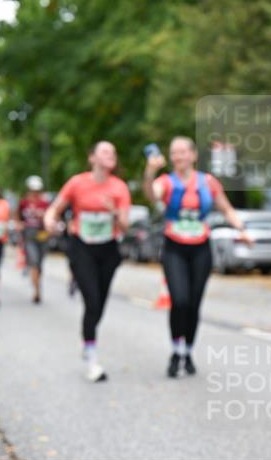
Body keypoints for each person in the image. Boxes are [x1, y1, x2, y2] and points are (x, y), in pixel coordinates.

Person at [143, 136, 251, 377]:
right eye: (174, 153)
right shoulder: (166, 182)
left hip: (201, 248)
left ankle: (188, 351)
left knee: (193, 303)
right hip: (174, 248)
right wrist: (149, 173)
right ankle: (175, 350)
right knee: (179, 301)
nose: (178, 157)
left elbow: (226, 208)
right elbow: (151, 195)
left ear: (193, 155)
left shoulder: (208, 182)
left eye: (183, 152)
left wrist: (242, 230)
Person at [44, 141, 131, 382]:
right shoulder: (77, 183)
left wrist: (114, 213)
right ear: (92, 157)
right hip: (81, 246)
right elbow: (55, 208)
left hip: (108, 249)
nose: (111, 155)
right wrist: (49, 220)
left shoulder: (119, 187)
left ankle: (88, 337)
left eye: (114, 152)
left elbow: (125, 225)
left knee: (100, 304)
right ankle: (92, 359)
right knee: (91, 300)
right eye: (105, 151)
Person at [17, 175, 50, 304]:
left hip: (42, 234)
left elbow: (50, 218)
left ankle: (38, 283)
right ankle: (37, 291)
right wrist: (20, 225)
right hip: (29, 234)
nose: (35, 193)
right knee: (34, 262)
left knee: (40, 263)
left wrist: (43, 217)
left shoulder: (45, 203)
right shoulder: (24, 202)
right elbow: (18, 217)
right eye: (32, 190)